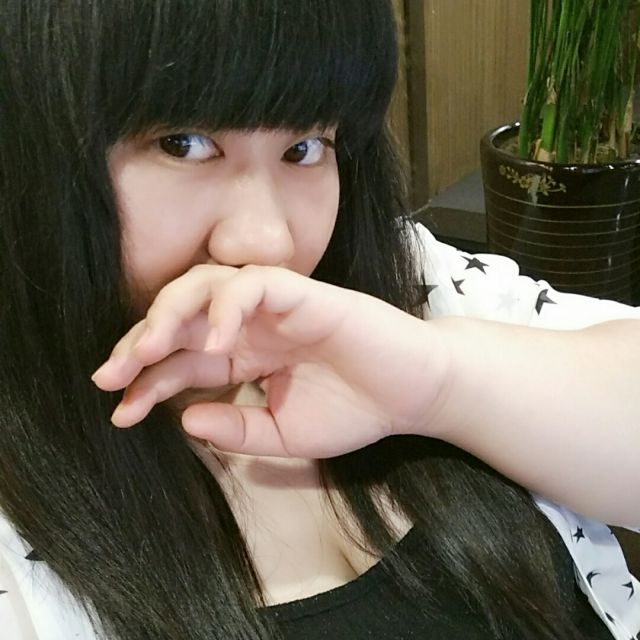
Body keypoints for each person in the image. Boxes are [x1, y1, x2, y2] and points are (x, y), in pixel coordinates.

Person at [0, 1, 638, 639]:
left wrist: (441, 385)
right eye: (183, 144)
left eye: (304, 148)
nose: (269, 240)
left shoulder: (404, 281)